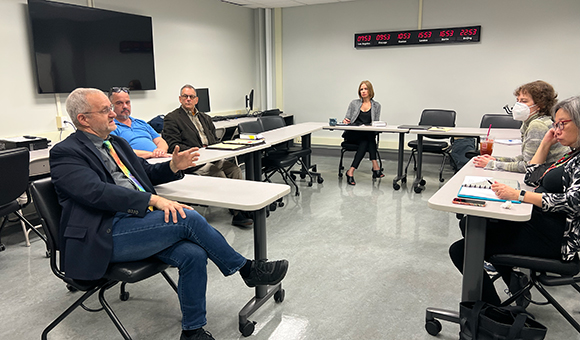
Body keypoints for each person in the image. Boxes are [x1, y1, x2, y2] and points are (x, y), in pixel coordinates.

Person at [51, 88, 289, 340]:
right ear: (83, 119)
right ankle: (246, 269)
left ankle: (193, 331)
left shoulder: (116, 144)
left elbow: (144, 173)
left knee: (194, 254)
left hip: (137, 223)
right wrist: (152, 199)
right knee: (187, 217)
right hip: (105, 233)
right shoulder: (65, 152)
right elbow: (95, 192)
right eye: (105, 109)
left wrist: (174, 165)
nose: (113, 113)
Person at [449, 96, 580, 306]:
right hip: (542, 223)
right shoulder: (571, 154)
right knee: (470, 225)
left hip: (556, 238)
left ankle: (493, 314)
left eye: (562, 124)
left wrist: (519, 195)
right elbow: (532, 177)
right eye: (555, 124)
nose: (557, 129)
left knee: (462, 249)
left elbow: (574, 202)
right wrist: (546, 142)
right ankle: (513, 282)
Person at [163, 84, 252, 227]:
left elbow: (213, 139)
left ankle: (240, 205)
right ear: (180, 99)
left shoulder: (205, 117)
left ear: (196, 100)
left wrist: (218, 147)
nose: (188, 99)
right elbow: (173, 145)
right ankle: (238, 214)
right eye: (185, 96)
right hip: (194, 161)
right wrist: (199, 149)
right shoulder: (172, 118)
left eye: (191, 97)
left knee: (234, 170)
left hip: (212, 157)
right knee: (218, 174)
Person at [473, 80, 569, 172]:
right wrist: (497, 159)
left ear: (540, 105)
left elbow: (529, 166)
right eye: (518, 101)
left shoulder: (538, 125)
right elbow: (526, 158)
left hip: (553, 175)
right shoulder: (529, 122)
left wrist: (492, 164)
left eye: (524, 101)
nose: (518, 105)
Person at [341, 80, 384, 185]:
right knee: (369, 138)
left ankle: (350, 171)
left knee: (366, 140)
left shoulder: (376, 105)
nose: (363, 91)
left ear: (370, 90)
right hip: (353, 134)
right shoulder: (354, 103)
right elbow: (347, 118)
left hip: (366, 135)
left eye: (365, 89)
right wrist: (345, 120)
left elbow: (375, 123)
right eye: (361, 89)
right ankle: (375, 166)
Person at [108, 87, 170, 159]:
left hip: (158, 158)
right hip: (138, 163)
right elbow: (121, 151)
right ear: (111, 106)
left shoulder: (141, 123)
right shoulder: (111, 126)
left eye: (127, 102)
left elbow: (159, 140)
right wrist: (152, 154)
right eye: (119, 103)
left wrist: (161, 150)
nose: (125, 106)